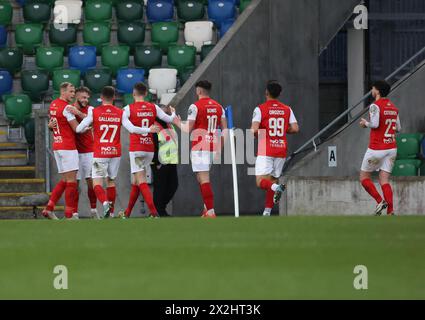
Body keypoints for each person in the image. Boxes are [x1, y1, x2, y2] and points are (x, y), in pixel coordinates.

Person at [76, 86, 155, 218]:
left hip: (100, 152)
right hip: (114, 152)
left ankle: (105, 203)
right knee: (111, 181)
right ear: (114, 98)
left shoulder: (94, 112)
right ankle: (111, 213)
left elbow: (78, 129)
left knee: (97, 183)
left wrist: (89, 127)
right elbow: (132, 129)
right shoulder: (120, 112)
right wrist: (148, 130)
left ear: (101, 98)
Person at [117, 83, 176, 219]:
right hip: (149, 148)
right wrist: (173, 112)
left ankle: (154, 213)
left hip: (137, 148)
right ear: (145, 94)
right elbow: (169, 119)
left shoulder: (128, 108)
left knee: (141, 179)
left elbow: (131, 129)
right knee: (136, 182)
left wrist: (148, 130)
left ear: (133, 94)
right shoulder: (153, 107)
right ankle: (127, 213)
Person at [174, 80, 227, 218]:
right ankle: (206, 208)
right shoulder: (219, 107)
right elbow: (225, 130)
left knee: (204, 178)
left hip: (200, 146)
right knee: (200, 177)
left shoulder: (195, 106)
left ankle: (211, 211)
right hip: (212, 145)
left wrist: (176, 121)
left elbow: (187, 129)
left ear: (198, 91)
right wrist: (220, 148)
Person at [251, 80, 299, 216]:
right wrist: (284, 129)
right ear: (279, 94)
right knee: (272, 180)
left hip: (266, 149)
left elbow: (254, 130)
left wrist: (258, 133)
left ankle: (277, 188)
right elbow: (295, 128)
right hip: (281, 149)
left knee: (261, 181)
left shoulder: (260, 109)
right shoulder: (286, 109)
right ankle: (267, 212)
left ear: (266, 93)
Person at [359, 80, 401, 216]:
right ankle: (390, 211)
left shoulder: (374, 106)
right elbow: (398, 128)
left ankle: (380, 201)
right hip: (391, 147)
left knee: (364, 177)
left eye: (372, 88)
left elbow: (375, 124)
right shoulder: (394, 108)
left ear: (377, 90)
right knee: (384, 180)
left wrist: (366, 123)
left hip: (377, 148)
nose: (372, 91)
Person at [42, 82, 80, 220]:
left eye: (74, 91)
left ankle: (49, 208)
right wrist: (88, 122)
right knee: (72, 181)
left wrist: (49, 127)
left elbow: (53, 125)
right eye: (70, 91)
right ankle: (69, 215)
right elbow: (77, 128)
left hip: (57, 145)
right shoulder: (67, 108)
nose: (73, 94)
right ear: (62, 92)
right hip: (68, 146)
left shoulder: (53, 104)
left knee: (64, 180)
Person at [66, 86, 99, 219]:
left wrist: (78, 113)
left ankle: (93, 210)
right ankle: (74, 213)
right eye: (83, 97)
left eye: (87, 98)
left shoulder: (90, 109)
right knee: (75, 184)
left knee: (91, 182)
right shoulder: (68, 109)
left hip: (89, 151)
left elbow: (93, 119)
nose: (86, 100)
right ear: (77, 96)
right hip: (74, 152)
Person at [151, 104, 179, 217]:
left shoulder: (169, 124)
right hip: (160, 161)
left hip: (171, 160)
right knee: (160, 187)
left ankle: (160, 207)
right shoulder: (154, 125)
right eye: (163, 113)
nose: (164, 115)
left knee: (173, 185)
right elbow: (153, 145)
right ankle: (159, 210)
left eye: (166, 113)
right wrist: (156, 161)